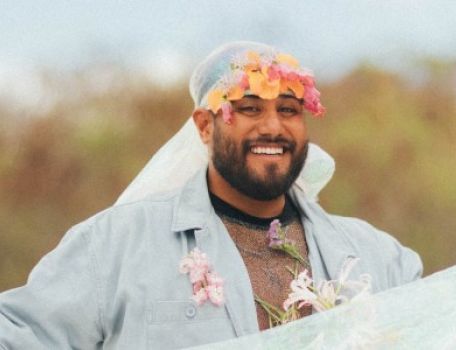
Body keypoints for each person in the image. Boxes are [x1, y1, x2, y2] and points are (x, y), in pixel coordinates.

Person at [0, 41, 422, 349]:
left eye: (289, 110)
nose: (273, 127)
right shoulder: (115, 245)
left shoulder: (380, 260)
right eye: (249, 108)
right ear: (205, 126)